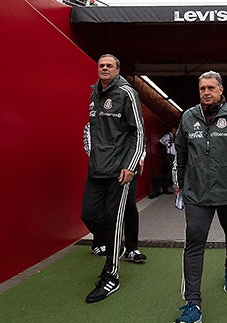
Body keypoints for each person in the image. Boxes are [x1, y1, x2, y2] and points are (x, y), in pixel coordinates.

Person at [171, 71, 227, 323]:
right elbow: (180, 154)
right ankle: (192, 306)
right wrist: (178, 183)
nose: (206, 92)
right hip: (197, 193)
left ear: (221, 90)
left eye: (211, 87)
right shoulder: (188, 117)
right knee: (194, 240)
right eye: (201, 88)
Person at [80, 54, 145, 303]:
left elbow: (137, 133)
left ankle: (111, 275)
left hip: (119, 170)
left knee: (114, 219)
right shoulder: (94, 93)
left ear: (118, 69)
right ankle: (111, 242)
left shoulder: (127, 93)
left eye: (109, 65)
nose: (104, 68)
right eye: (101, 65)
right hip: (97, 169)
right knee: (88, 213)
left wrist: (130, 166)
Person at [159, 127, 177, 192]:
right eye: (174, 130)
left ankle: (170, 184)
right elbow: (161, 140)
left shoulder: (175, 136)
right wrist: (167, 144)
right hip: (170, 155)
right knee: (170, 170)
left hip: (174, 154)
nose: (175, 131)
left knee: (173, 170)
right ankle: (166, 185)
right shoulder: (168, 136)